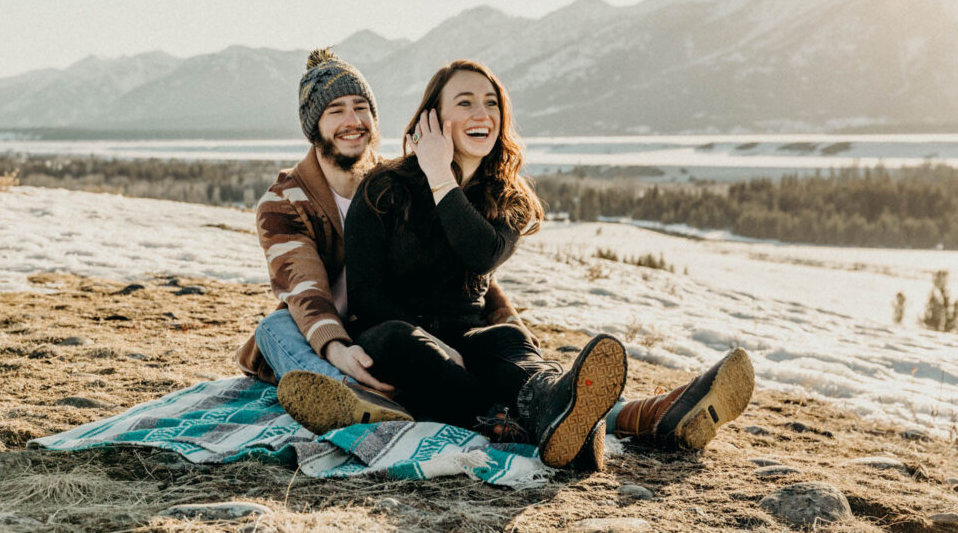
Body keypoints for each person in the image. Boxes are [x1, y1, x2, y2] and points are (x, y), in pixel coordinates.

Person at [277, 59, 756, 470]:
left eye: (491, 102)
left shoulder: (508, 197)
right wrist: (438, 347)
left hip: (471, 336)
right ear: (432, 119)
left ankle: (558, 411)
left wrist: (442, 178)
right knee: (408, 344)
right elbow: (367, 297)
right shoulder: (384, 190)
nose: (481, 112)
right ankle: (539, 423)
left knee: (509, 342)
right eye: (463, 102)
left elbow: (481, 254)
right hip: (396, 334)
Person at [235, 49, 534, 427]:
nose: (353, 121)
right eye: (336, 111)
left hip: (398, 325)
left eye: (361, 107)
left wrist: (511, 326)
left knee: (496, 348)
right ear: (314, 127)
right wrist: (337, 348)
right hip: (330, 327)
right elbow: (303, 288)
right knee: (272, 329)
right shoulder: (286, 201)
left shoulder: (396, 183)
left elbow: (465, 273)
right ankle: (341, 390)